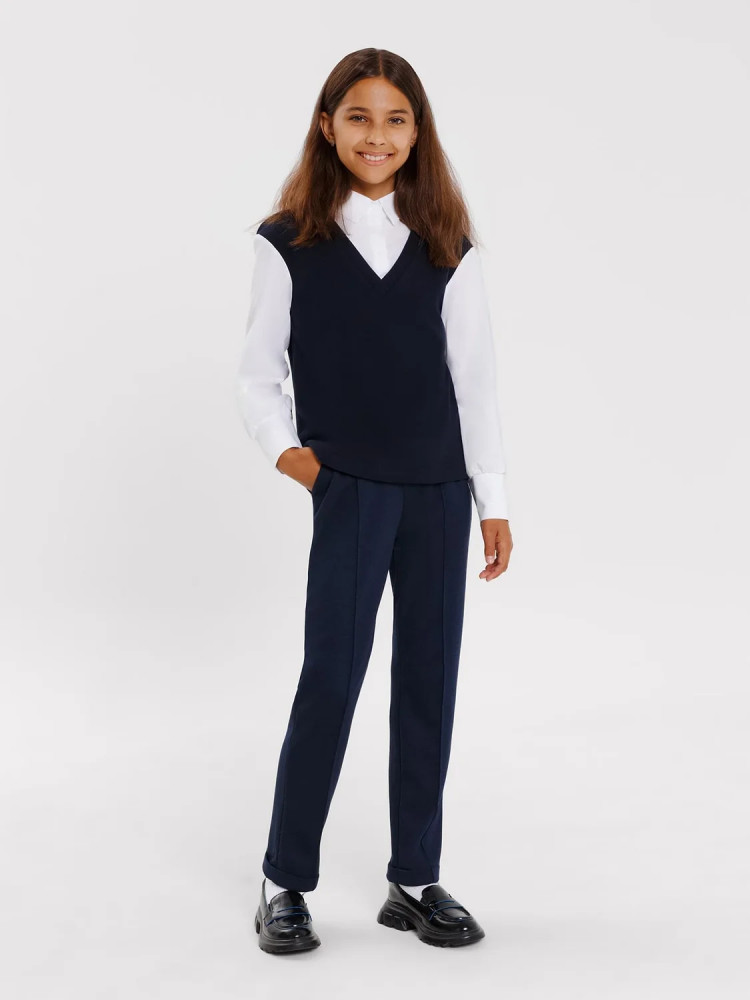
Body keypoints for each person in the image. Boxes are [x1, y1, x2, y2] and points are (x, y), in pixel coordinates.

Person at [236, 47, 513, 954]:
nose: (377, 136)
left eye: (397, 119)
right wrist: (297, 460)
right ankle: (283, 880)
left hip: (438, 492)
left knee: (430, 681)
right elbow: (257, 373)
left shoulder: (447, 245)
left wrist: (492, 499)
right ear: (328, 126)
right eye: (359, 116)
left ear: (417, 133)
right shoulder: (288, 241)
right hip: (349, 489)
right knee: (332, 678)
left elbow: (474, 379)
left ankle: (415, 879)